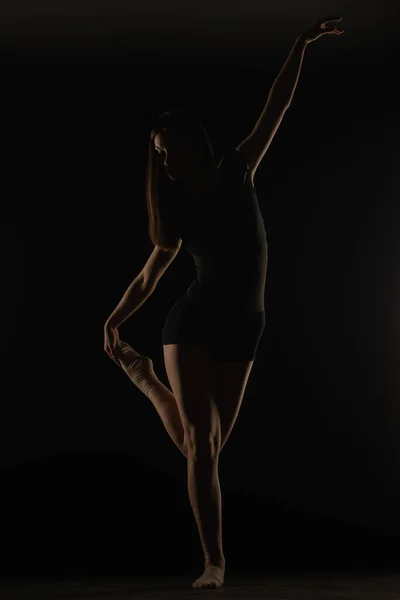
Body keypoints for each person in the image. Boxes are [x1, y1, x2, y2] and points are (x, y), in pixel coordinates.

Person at [103, 17, 344, 589]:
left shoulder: (238, 168)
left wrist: (299, 45)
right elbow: (147, 278)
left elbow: (277, 107)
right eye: (157, 155)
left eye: (167, 150)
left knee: (198, 446)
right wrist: (113, 320)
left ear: (192, 143)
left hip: (245, 327)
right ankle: (215, 561)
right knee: (203, 446)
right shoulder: (179, 211)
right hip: (190, 323)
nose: (163, 162)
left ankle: (141, 378)